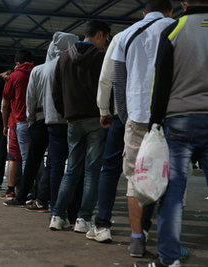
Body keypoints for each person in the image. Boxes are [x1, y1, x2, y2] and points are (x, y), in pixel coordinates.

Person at [135, 0, 208, 266]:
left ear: (184, 2)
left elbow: (160, 81)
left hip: (179, 121)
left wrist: (155, 122)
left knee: (172, 193)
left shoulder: (174, 30)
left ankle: (169, 259)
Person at [111, 0, 174, 257]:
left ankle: (137, 240)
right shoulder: (176, 27)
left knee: (135, 180)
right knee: (170, 180)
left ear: (144, 12)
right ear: (170, 10)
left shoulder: (126, 34)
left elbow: (118, 78)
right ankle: (167, 245)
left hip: (137, 115)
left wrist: (125, 115)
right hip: (171, 115)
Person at [4, 32, 79, 211]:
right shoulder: (71, 67)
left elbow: (31, 98)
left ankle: (24, 195)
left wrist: (30, 119)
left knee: (32, 160)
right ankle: (47, 200)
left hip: (38, 119)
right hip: (62, 120)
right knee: (55, 161)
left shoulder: (39, 70)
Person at [49, 20, 110, 232]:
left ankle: (57, 216)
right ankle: (83, 220)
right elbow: (107, 87)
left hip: (72, 120)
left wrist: (65, 113)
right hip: (95, 119)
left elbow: (56, 92)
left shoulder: (63, 58)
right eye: (106, 38)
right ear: (100, 35)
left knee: (71, 170)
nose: (106, 43)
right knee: (92, 172)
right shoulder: (100, 57)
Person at [85, 31, 124, 243]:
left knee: (108, 169)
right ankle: (142, 231)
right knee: (147, 171)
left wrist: (104, 110)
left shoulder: (122, 37)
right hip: (156, 116)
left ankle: (101, 224)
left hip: (121, 115)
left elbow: (106, 80)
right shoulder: (171, 32)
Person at [2, 49, 34, 199]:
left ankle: (13, 190)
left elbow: (5, 102)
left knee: (14, 157)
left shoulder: (14, 76)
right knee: (34, 157)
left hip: (16, 122)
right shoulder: (37, 73)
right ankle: (34, 190)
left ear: (17, 63)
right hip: (36, 122)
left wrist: (4, 124)